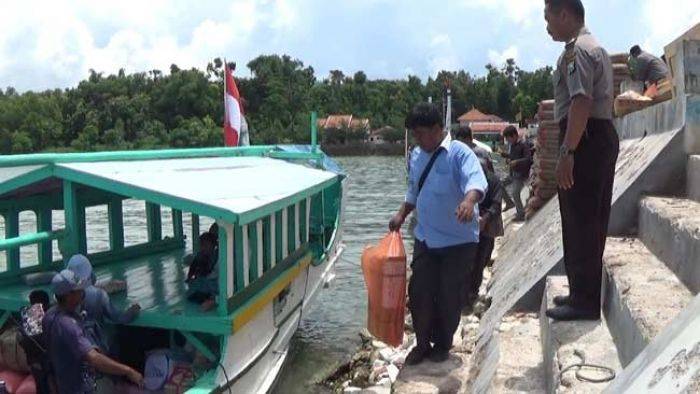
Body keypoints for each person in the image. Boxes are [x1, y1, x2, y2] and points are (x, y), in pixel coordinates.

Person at [388, 103, 487, 365]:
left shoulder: (460, 153)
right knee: (419, 291)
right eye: (415, 135)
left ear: (436, 129)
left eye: (420, 134)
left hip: (459, 243)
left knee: (449, 295)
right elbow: (413, 191)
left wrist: (468, 201)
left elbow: (476, 182)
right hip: (426, 239)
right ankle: (421, 344)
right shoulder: (418, 155)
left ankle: (442, 344)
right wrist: (401, 214)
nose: (418, 140)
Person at [544, 0, 619, 321]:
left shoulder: (578, 51)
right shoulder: (594, 47)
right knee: (589, 219)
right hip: (596, 136)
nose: (546, 26)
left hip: (584, 139)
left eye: (548, 18)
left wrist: (568, 153)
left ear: (564, 14)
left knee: (581, 221)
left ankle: (584, 302)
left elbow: (581, 101)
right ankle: (580, 293)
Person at [42, 269, 143, 394]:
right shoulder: (68, 325)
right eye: (79, 290)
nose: (83, 292)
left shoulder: (49, 315)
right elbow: (94, 358)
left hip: (63, 382)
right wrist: (128, 371)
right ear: (69, 295)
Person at [66, 254, 140, 354]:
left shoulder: (64, 294)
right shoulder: (99, 294)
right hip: (96, 345)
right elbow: (119, 318)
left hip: (73, 344)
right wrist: (133, 310)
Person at [465, 158, 504, 308]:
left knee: (482, 257)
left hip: (487, 224)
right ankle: (467, 292)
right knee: (468, 259)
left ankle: (472, 291)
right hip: (469, 224)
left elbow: (497, 205)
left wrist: (484, 219)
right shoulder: (468, 178)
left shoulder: (494, 182)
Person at [501, 126, 531, 222]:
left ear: (514, 135)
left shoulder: (523, 145)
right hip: (512, 174)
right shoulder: (512, 146)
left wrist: (516, 162)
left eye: (508, 138)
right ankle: (509, 203)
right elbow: (512, 157)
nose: (507, 141)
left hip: (521, 175)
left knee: (515, 193)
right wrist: (506, 157)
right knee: (499, 185)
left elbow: (528, 159)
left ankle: (520, 213)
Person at [186, 232, 219, 310]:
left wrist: (201, 273)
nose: (203, 248)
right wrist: (189, 277)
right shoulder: (200, 254)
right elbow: (193, 266)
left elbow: (210, 270)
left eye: (206, 245)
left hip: (212, 279)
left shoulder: (216, 255)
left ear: (214, 245)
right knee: (191, 293)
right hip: (204, 279)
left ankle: (212, 299)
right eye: (202, 245)